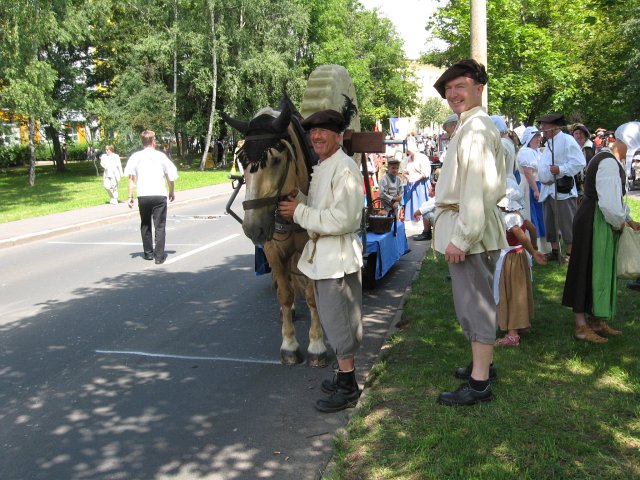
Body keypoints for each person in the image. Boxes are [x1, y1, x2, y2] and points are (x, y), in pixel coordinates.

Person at [277, 108, 364, 413]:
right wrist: (299, 200)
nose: (316, 136)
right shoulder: (325, 165)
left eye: (324, 131)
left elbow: (342, 218)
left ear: (338, 136)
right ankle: (343, 374)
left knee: (339, 322)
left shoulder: (345, 168)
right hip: (325, 256)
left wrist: (299, 213)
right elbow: (320, 206)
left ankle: (348, 385)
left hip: (336, 257)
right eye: (312, 132)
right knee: (332, 319)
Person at [431, 59, 507, 406]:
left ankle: (479, 385)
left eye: (460, 86)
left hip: (471, 233)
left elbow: (474, 191)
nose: (453, 94)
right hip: (472, 228)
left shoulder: (475, 130)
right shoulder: (471, 126)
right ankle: (482, 366)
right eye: (448, 90)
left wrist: (461, 238)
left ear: (479, 88)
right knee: (472, 304)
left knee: (475, 307)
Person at [562, 122, 640, 342]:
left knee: (599, 268)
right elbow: (608, 203)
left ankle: (594, 319)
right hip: (595, 219)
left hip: (596, 216)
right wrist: (619, 222)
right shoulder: (607, 163)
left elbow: (614, 198)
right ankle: (581, 325)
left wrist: (627, 219)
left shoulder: (605, 158)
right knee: (587, 268)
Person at [494, 178, 547, 347]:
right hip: (520, 256)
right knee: (521, 290)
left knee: (512, 293)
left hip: (511, 259)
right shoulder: (518, 215)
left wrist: (533, 250)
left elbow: (519, 234)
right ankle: (522, 323)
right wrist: (534, 246)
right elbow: (531, 228)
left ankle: (512, 333)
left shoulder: (509, 218)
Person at [124, 130, 179, 264]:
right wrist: (171, 191)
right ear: (153, 141)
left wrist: (130, 196)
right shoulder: (161, 156)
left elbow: (131, 178)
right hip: (159, 194)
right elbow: (170, 175)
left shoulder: (135, 157)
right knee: (159, 225)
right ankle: (159, 257)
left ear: (142, 141)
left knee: (145, 224)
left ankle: (148, 253)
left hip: (143, 195)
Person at [537, 113, 586, 263]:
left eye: (544, 126)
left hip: (561, 190)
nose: (542, 129)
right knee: (550, 222)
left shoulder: (567, 140)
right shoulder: (549, 142)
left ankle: (570, 254)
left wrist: (560, 169)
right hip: (548, 190)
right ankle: (555, 251)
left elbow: (579, 162)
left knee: (566, 222)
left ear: (554, 126)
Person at [517, 126, 549, 251]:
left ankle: (543, 246)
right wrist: (535, 189)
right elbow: (528, 172)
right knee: (532, 216)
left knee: (541, 216)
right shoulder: (526, 152)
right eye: (535, 137)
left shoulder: (536, 151)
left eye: (538, 136)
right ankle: (535, 246)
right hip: (530, 186)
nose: (538, 139)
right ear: (528, 138)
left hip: (538, 184)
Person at [403, 143, 432, 239]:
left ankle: (423, 224)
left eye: (412, 152)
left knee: (421, 203)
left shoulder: (422, 158)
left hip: (421, 184)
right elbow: (405, 171)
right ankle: (412, 222)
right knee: (411, 203)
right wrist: (408, 177)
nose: (410, 154)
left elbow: (426, 172)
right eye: (409, 152)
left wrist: (415, 178)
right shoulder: (408, 159)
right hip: (411, 184)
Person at [412, 167, 440, 240]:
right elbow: (426, 205)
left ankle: (426, 233)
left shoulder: (438, 198)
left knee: (427, 214)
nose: (429, 188)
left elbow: (424, 209)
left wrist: (416, 213)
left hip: (444, 223)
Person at [572, 123, 595, 199]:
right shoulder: (571, 148)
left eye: (581, 133)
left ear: (585, 134)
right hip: (575, 184)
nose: (579, 136)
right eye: (576, 133)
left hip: (590, 183)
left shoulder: (592, 148)